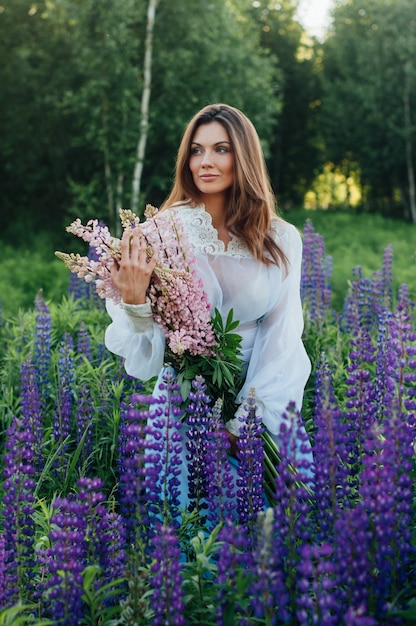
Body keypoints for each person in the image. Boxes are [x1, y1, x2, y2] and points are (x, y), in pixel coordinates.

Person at [105, 103, 312, 508]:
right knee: (187, 542)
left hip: (262, 404)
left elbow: (282, 336)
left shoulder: (281, 239)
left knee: (277, 538)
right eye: (196, 151)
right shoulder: (158, 234)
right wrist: (133, 302)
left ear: (244, 157)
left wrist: (242, 422)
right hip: (184, 411)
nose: (206, 162)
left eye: (221, 149)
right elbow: (145, 360)